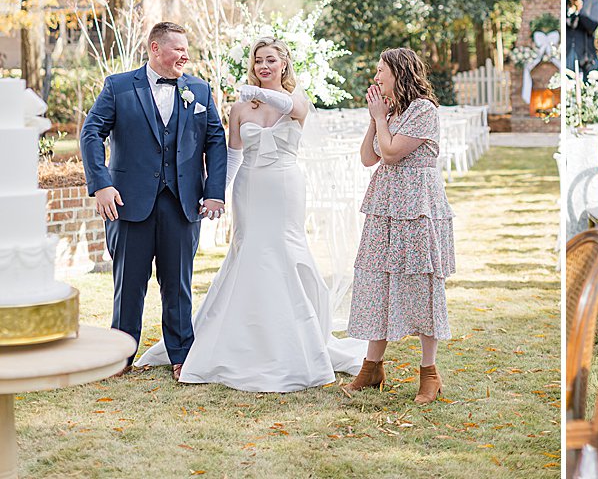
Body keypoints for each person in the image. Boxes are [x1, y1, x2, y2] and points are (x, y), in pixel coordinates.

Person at [136, 37, 366, 391]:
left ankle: (295, 339)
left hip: (285, 186)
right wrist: (217, 195)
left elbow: (289, 106)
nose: (263, 66)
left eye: (271, 60)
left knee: (284, 251)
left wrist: (251, 90)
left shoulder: (297, 101)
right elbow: (233, 156)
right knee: (249, 252)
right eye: (258, 60)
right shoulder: (241, 109)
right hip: (250, 187)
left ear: (284, 64)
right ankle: (237, 339)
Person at [81, 22, 227, 378]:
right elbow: (90, 132)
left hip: (182, 202)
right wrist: (101, 185)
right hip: (128, 202)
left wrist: (214, 192)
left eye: (186, 50)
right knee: (128, 282)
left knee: (178, 282)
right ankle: (120, 357)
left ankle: (181, 356)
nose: (185, 56)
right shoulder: (118, 86)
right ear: (155, 48)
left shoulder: (199, 90)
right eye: (178, 49)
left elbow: (215, 141)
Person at [345, 48, 455, 404]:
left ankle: (429, 374)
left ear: (398, 72)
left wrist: (381, 119)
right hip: (386, 203)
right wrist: (375, 117)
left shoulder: (424, 110)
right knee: (378, 280)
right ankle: (371, 367)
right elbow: (369, 158)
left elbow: (391, 152)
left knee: (421, 282)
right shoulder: (388, 110)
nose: (376, 78)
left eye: (381, 71)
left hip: (416, 204)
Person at [565, 0, 598, 76]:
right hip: (567, 56)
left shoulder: (592, 2)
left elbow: (591, 26)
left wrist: (579, 9)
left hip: (587, 57)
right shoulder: (563, 5)